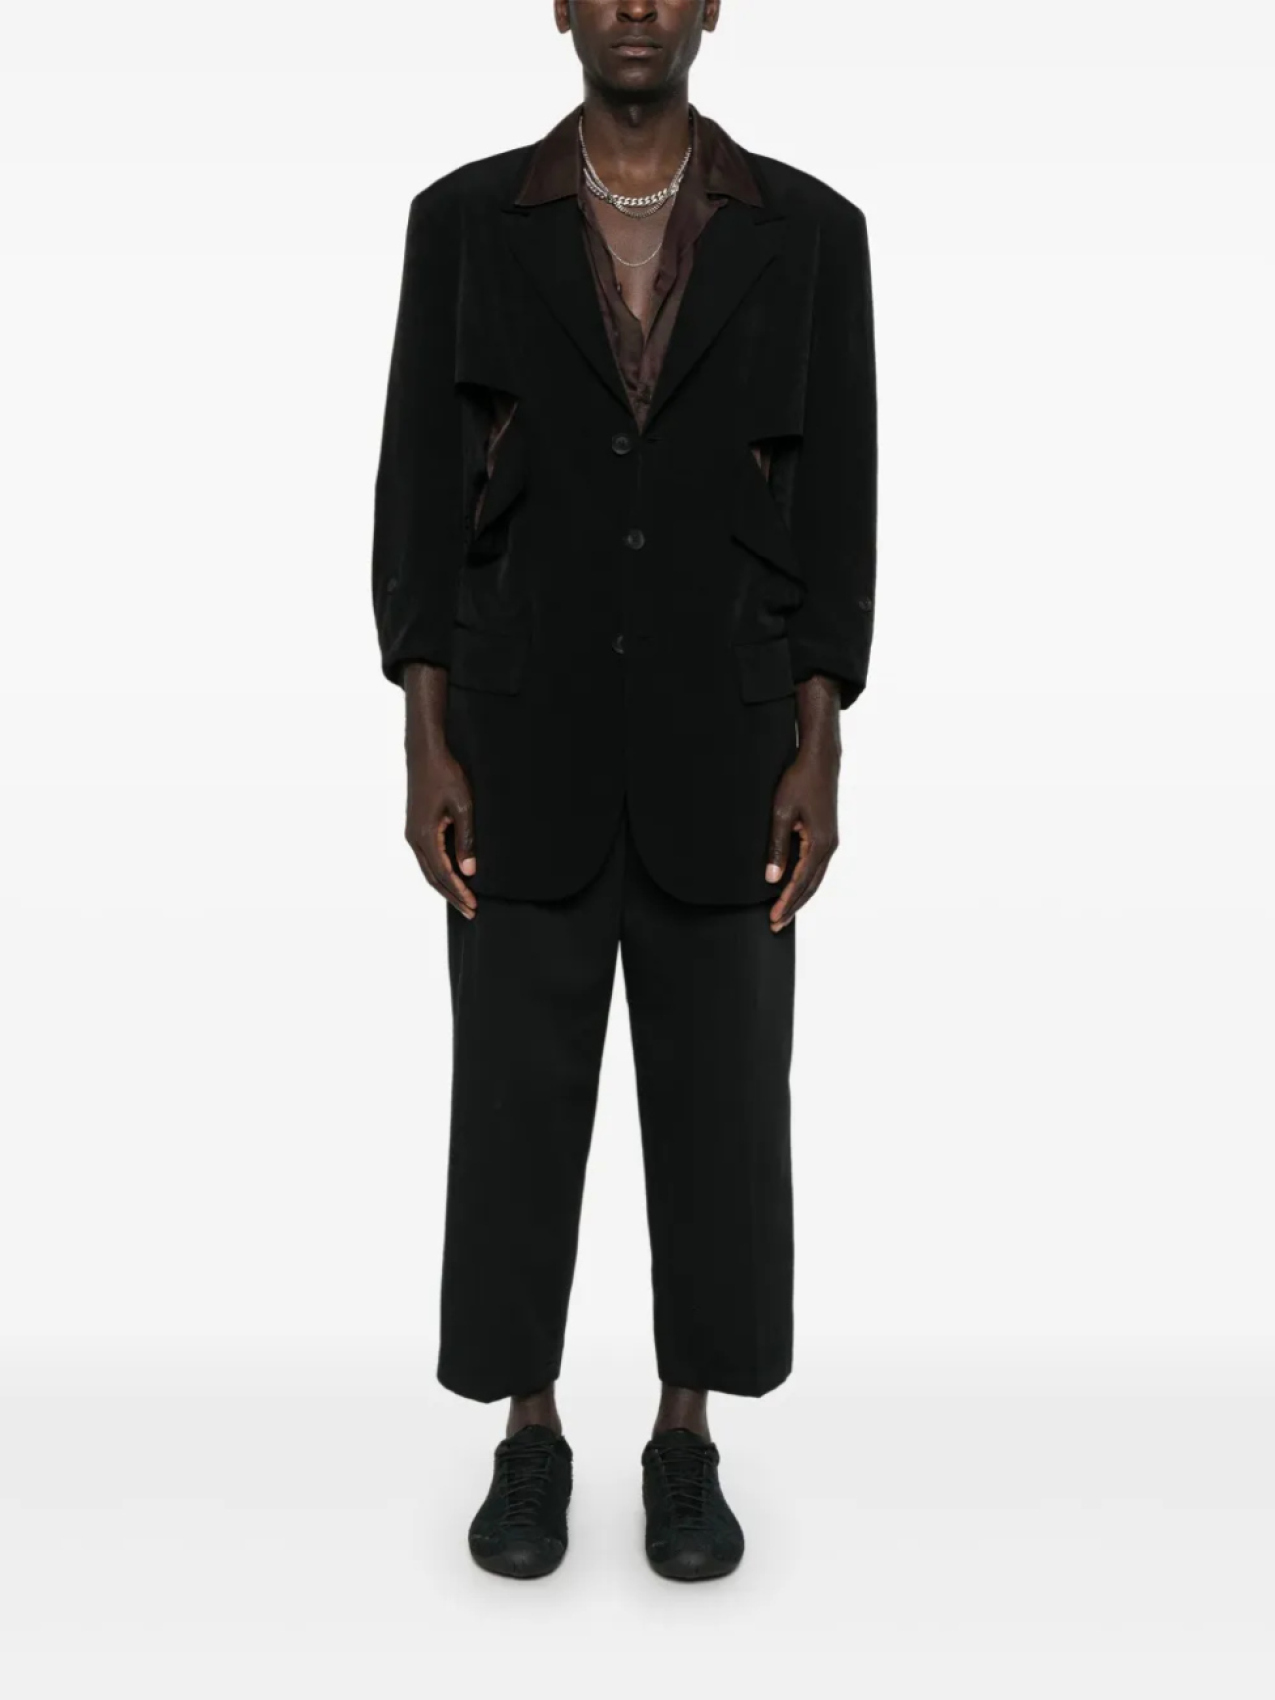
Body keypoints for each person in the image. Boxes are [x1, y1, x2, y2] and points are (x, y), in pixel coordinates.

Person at [371, 0, 876, 1582]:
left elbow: (837, 502)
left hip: (730, 746)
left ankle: (685, 1435)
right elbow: (419, 495)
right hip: (519, 742)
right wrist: (425, 738)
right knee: (513, 1112)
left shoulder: (811, 235)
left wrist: (821, 739)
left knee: (722, 1113)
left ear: (713, 3)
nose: (639, 8)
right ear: (564, 6)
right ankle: (528, 1432)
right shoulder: (466, 224)